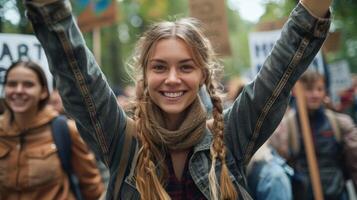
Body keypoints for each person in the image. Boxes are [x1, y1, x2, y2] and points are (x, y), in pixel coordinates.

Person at [24, 0, 332, 199]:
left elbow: (280, 70)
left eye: (185, 66)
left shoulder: (230, 137)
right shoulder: (122, 141)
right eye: (160, 67)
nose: (172, 78)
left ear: (202, 75)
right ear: (144, 75)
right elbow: (78, 73)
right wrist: (52, 12)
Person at [0, 61, 104, 199]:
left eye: (28, 85)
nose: (19, 90)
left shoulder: (65, 130)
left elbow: (92, 188)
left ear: (43, 92)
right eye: (12, 84)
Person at [270, 70, 357, 200]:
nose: (315, 94)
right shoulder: (285, 128)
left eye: (320, 89)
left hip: (338, 194)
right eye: (309, 89)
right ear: (296, 92)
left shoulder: (339, 123)